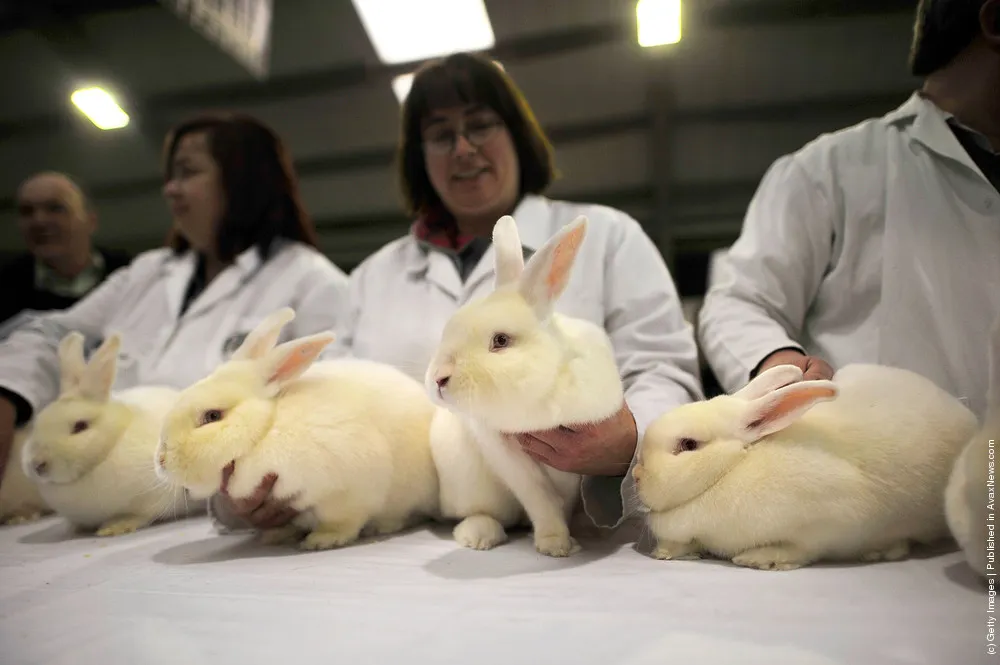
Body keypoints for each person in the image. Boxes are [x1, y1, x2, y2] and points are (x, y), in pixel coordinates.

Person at [211, 52, 703, 532]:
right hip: (411, 539)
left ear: (516, 133)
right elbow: (335, 398)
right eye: (441, 135)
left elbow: (661, 365)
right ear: (420, 159)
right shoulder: (371, 277)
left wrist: (631, 440)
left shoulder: (608, 235)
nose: (463, 148)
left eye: (481, 124)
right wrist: (263, 483)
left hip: (585, 528)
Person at [0, 112, 349, 492]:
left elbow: (327, 400)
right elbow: (52, 332)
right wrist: (7, 391)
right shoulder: (147, 272)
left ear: (241, 179)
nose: (170, 189)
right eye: (171, 175)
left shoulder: (310, 280)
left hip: (208, 507)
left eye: (187, 172)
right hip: (99, 499)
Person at [698, 0, 1000, 421]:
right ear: (994, 20)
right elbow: (739, 302)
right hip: (886, 476)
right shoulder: (832, 169)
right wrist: (779, 364)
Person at [0, 172, 131, 326]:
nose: (39, 221)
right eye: (27, 211)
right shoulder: (5, 288)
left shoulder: (131, 277)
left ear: (91, 221)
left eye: (55, 208)